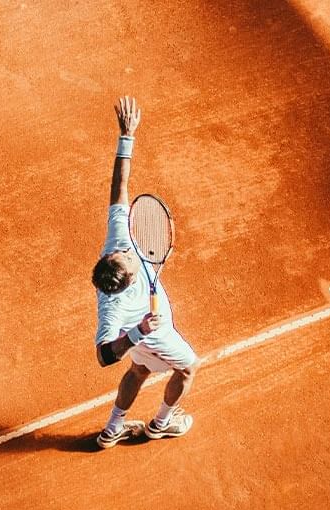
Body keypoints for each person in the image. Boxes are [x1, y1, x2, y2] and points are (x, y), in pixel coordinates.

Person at [91, 96, 199, 449]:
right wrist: (138, 333)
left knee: (139, 370)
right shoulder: (113, 308)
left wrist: (127, 136)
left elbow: (118, 189)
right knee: (188, 368)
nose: (129, 251)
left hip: (141, 339)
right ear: (129, 280)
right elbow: (105, 355)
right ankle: (161, 423)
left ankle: (112, 429)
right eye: (129, 258)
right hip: (154, 336)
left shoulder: (117, 244)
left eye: (123, 252)